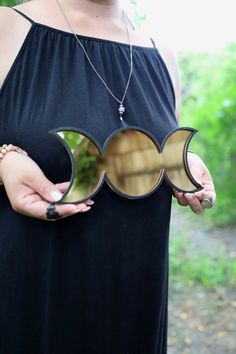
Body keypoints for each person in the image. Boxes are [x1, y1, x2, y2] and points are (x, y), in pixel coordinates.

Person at [0, 0, 216, 353]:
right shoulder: (7, 28)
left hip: (134, 310)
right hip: (32, 306)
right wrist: (4, 160)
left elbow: (148, 148)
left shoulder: (161, 52)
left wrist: (181, 161)